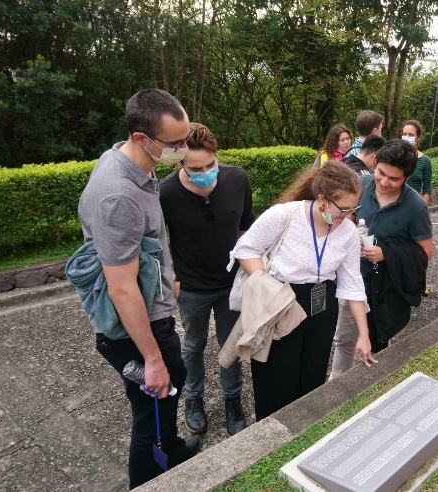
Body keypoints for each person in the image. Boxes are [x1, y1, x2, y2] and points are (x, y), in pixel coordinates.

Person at [77, 88, 200, 489]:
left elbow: (144, 248)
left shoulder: (133, 161)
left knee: (173, 381)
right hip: (135, 324)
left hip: (154, 306)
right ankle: (147, 481)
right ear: (141, 137)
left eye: (186, 139)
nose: (184, 150)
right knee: (152, 405)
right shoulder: (118, 195)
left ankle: (174, 449)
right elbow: (122, 289)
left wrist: (168, 276)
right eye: (176, 144)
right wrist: (151, 358)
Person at [230, 162, 376, 420]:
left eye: (353, 209)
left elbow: (353, 284)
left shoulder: (348, 232)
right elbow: (245, 249)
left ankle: (305, 429)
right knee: (277, 377)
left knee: (313, 374)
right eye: (343, 209)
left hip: (322, 304)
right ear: (322, 200)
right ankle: (273, 434)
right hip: (282, 300)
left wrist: (363, 335)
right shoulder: (284, 215)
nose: (348, 216)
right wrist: (265, 285)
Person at [159, 123, 253, 437]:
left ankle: (232, 400)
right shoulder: (165, 192)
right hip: (191, 286)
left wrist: (249, 270)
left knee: (232, 344)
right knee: (193, 345)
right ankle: (193, 398)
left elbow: (245, 229)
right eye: (196, 168)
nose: (206, 172)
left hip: (230, 284)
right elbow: (158, 241)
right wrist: (170, 277)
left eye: (211, 164)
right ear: (180, 162)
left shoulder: (237, 178)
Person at [329, 140, 433, 379]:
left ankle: (371, 384)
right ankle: (336, 385)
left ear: (407, 177)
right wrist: (349, 232)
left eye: (394, 179)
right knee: (344, 338)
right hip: (353, 279)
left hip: (386, 288)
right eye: (381, 174)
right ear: (374, 163)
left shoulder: (415, 207)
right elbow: (346, 219)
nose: (385, 183)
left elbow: (426, 251)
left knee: (378, 339)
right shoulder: (361, 185)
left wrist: (387, 253)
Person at [401, 120, 433, 205]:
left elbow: (427, 190)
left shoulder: (425, 160)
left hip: (413, 205)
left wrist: (422, 210)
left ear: (418, 137)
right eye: (404, 134)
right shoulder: (395, 156)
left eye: (411, 135)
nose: (407, 137)